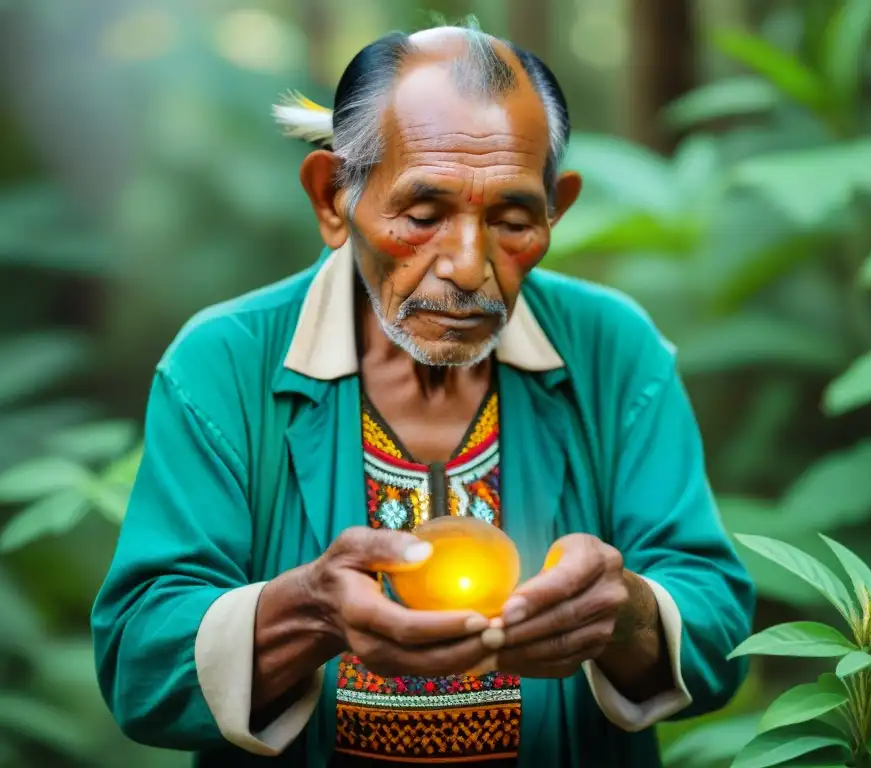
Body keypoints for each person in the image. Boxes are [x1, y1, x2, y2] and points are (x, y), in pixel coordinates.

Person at [90, 20, 755, 768]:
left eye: (511, 220)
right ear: (333, 198)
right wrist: (306, 612)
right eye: (423, 215)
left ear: (554, 210)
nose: (468, 267)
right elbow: (139, 664)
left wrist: (627, 616)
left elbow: (721, 630)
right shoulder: (223, 365)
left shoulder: (614, 350)